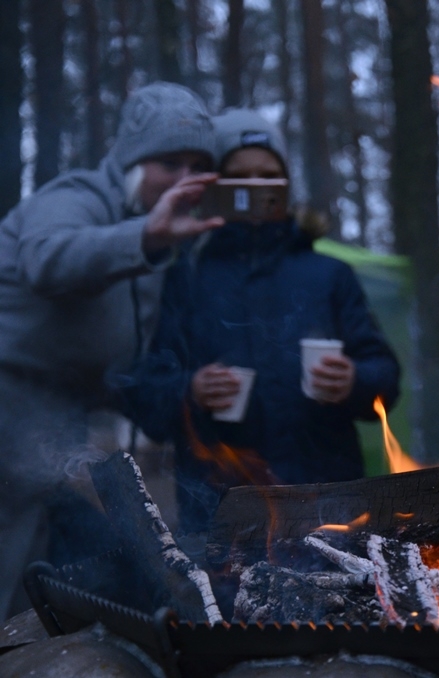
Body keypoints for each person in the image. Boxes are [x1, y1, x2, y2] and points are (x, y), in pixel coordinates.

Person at [0, 82, 221, 619]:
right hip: (9, 399)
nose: (185, 179)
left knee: (36, 554)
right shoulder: (76, 198)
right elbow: (48, 260)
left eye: (197, 166)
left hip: (58, 416)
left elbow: (122, 352)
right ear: (132, 162)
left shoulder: (159, 241)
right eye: (170, 162)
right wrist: (145, 235)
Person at [124, 109, 401, 534]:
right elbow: (147, 397)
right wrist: (191, 389)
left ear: (286, 185)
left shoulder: (328, 275)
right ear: (215, 186)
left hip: (327, 506)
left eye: (268, 174)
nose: (256, 186)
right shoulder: (187, 276)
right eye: (240, 175)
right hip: (221, 511)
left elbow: (386, 376)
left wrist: (355, 381)